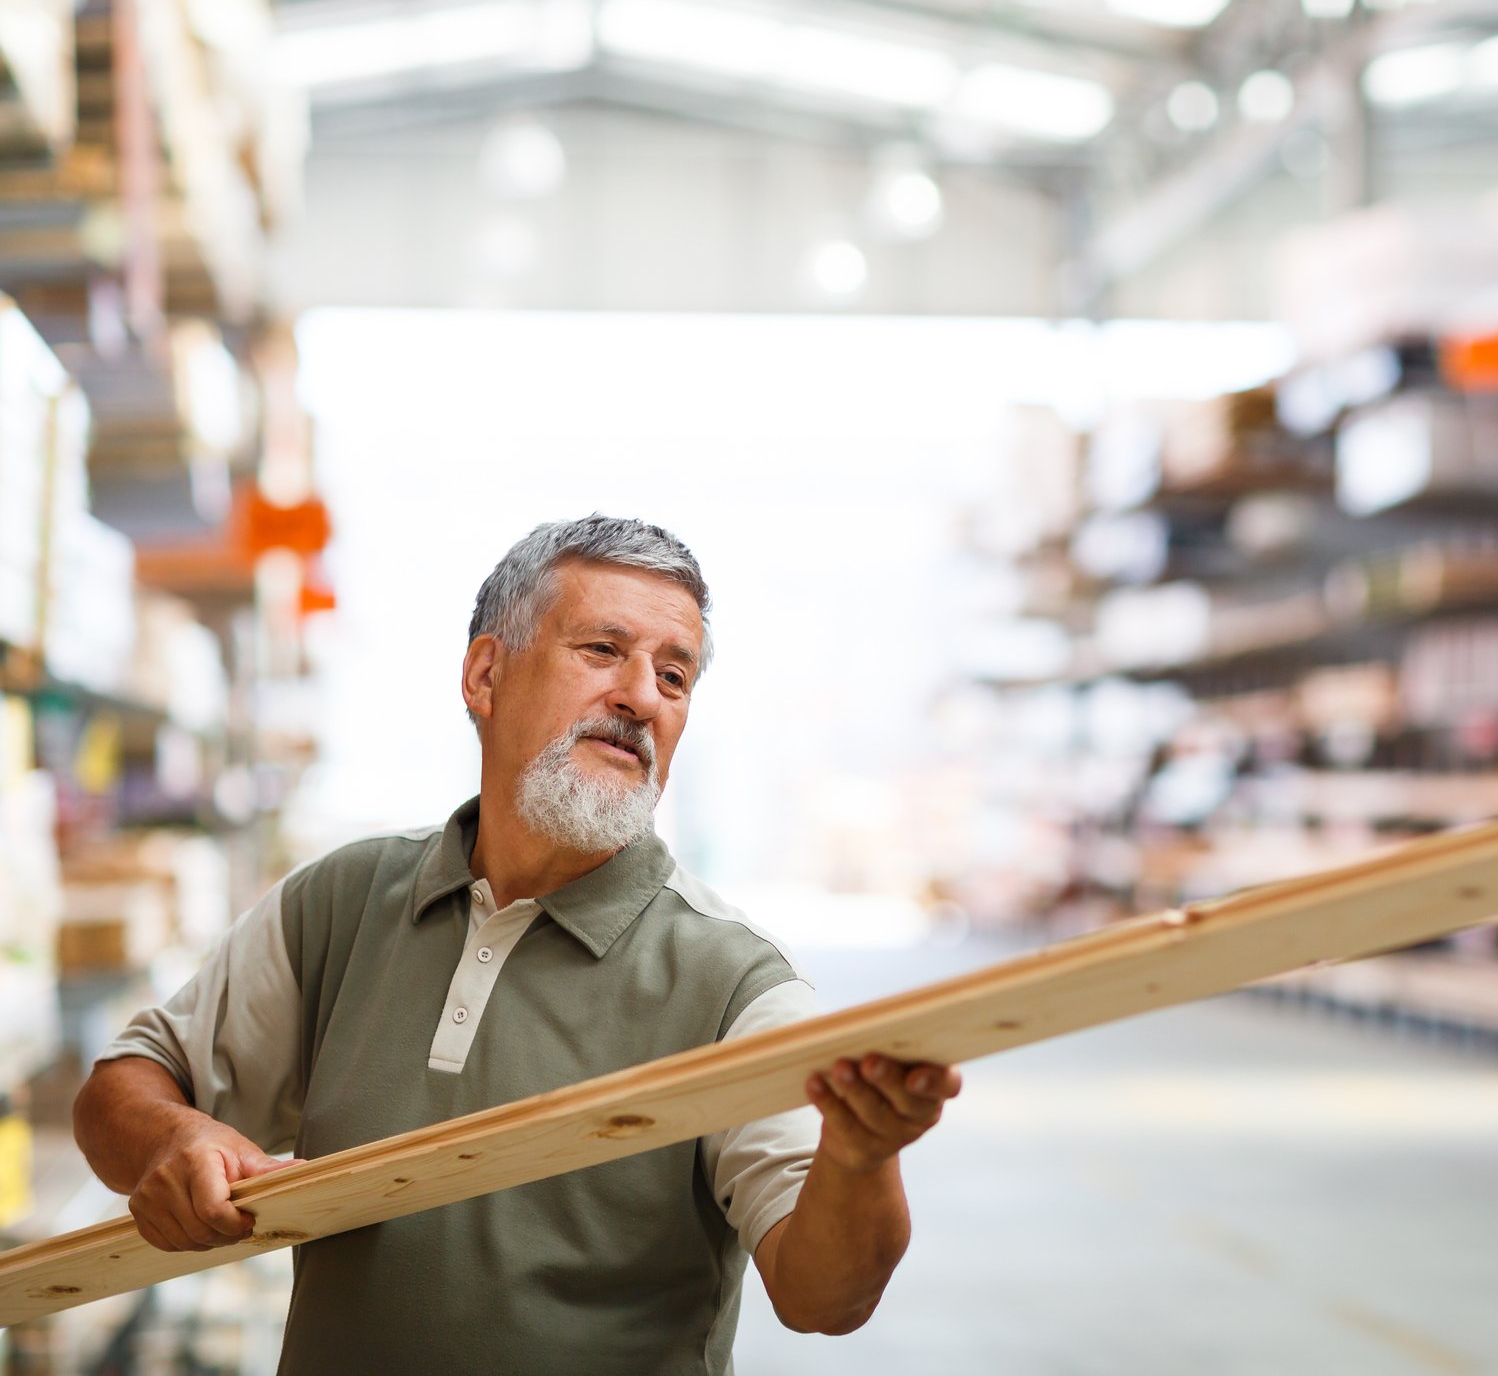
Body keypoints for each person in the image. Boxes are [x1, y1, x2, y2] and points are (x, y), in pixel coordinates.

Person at [71, 514, 961, 1375]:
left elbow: (825, 1300)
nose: (642, 696)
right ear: (485, 675)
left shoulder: (735, 987)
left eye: (675, 676)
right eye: (603, 650)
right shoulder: (341, 905)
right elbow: (121, 1087)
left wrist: (859, 1155)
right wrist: (170, 1140)